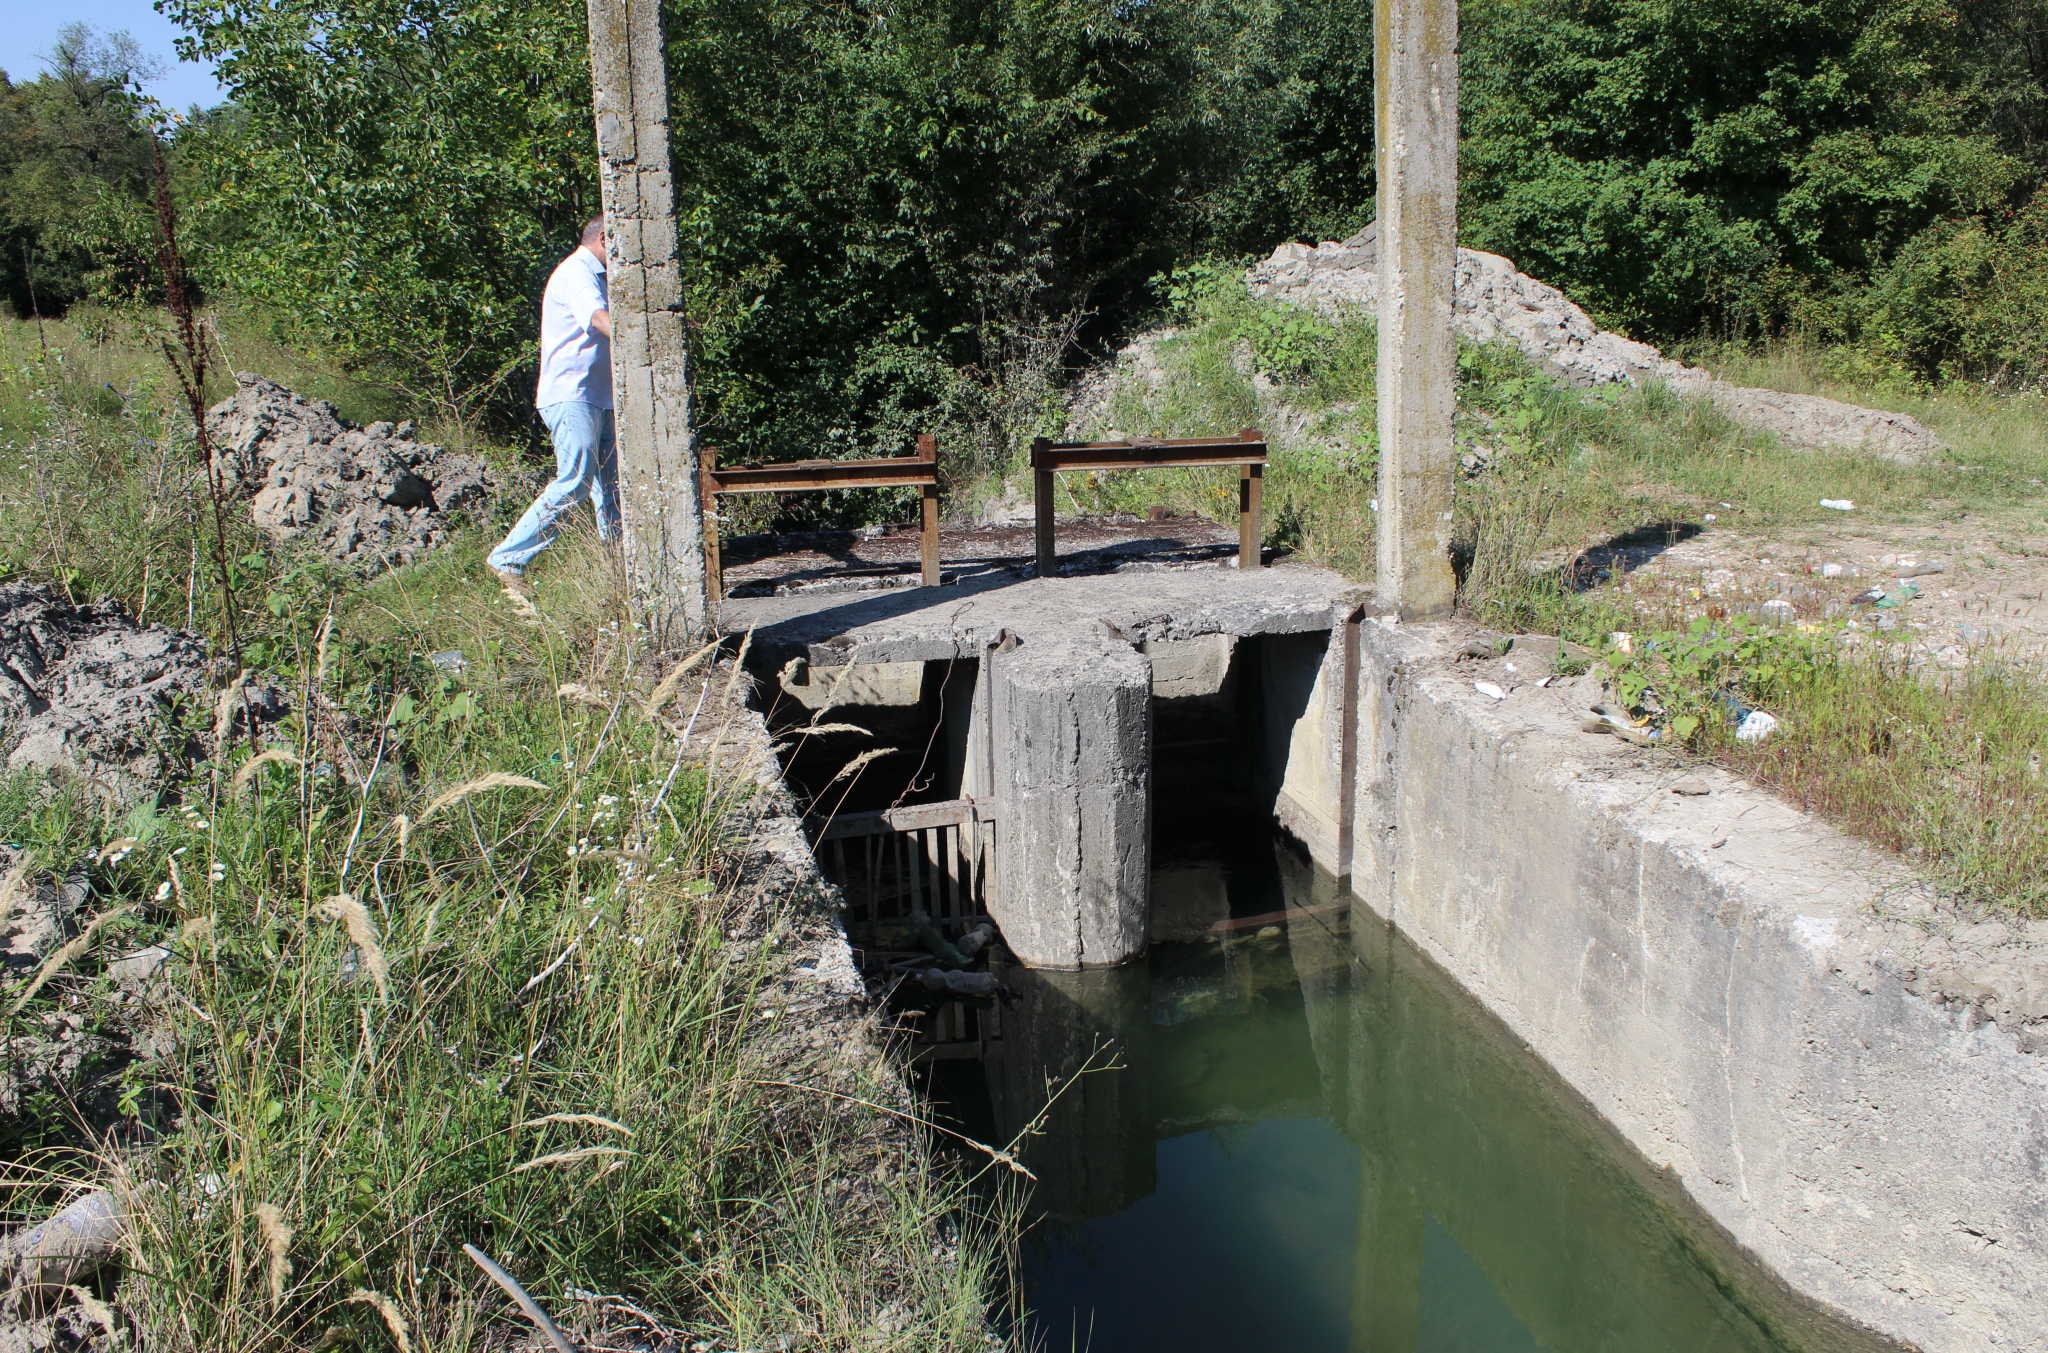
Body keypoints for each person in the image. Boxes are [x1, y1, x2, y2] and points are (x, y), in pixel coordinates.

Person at [489, 215, 617, 593]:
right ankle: (508, 558)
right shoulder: (578, 271)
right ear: (605, 237)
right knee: (577, 479)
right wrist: (650, 335)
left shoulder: (601, 276)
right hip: (571, 393)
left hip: (599, 396)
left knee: (612, 490)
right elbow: (597, 319)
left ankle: (621, 572)